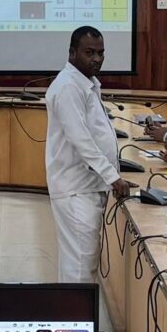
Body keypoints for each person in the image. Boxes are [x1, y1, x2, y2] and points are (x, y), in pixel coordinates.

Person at [45, 25, 132, 288]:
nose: (97, 59)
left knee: (81, 261)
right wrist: (113, 177)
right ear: (72, 53)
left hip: (87, 186)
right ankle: (74, 315)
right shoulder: (68, 87)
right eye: (89, 52)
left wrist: (112, 175)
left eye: (101, 53)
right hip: (76, 189)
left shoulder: (86, 84)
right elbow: (81, 140)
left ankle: (75, 313)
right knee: (80, 264)